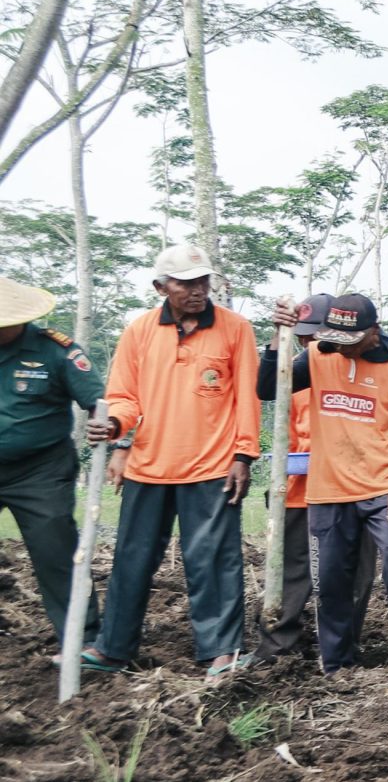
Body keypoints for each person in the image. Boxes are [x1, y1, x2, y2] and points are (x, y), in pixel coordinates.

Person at [84, 245, 261, 681]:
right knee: (132, 558)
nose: (199, 291)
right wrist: (113, 429)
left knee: (213, 560)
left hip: (212, 467)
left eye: (204, 281)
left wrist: (243, 454)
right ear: (161, 287)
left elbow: (247, 399)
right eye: (187, 283)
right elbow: (125, 396)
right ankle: (113, 649)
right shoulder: (140, 331)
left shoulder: (236, 329)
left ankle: (221, 651)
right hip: (148, 464)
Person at [259, 294, 388, 677]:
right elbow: (269, 388)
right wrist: (278, 336)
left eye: (351, 340)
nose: (342, 348)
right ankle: (336, 666)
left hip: (382, 488)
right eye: (337, 338)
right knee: (330, 581)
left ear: (374, 332)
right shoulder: (320, 354)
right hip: (328, 489)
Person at [253, 292, 375, 666]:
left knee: (354, 575)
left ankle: (340, 651)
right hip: (298, 491)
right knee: (293, 574)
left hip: (354, 489)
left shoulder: (363, 369)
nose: (308, 344)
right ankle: (276, 649)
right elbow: (271, 396)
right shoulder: (296, 369)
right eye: (301, 336)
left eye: (314, 336)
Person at [0, 276, 103, 649]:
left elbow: (98, 400)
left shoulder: (56, 351)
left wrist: (108, 431)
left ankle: (83, 638)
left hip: (39, 471)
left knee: (55, 552)